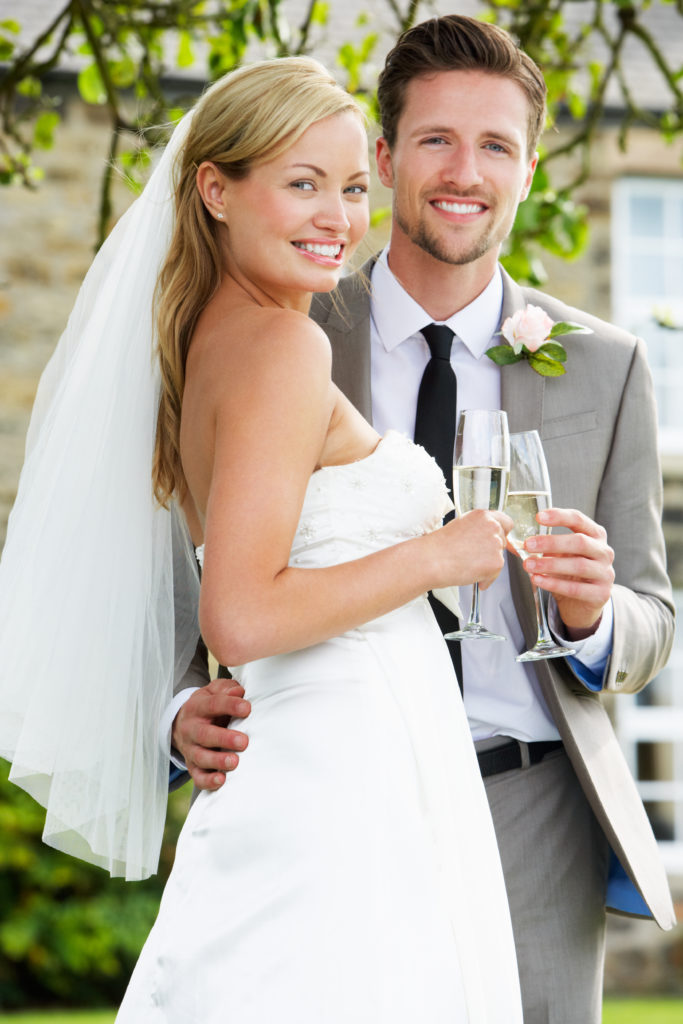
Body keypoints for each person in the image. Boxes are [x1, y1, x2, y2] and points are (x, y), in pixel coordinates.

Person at [169, 17, 677, 1024]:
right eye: (436, 139)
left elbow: (652, 617)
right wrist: (174, 713)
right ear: (386, 156)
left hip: (531, 815)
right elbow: (189, 576)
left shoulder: (605, 364)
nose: (463, 170)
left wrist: (587, 619)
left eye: (494, 144)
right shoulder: (285, 326)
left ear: (529, 168)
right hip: (330, 800)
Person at [0, 56, 524, 1021]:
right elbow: (238, 612)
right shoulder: (286, 344)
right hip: (342, 771)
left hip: (322, 752)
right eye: (301, 184)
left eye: (353, 187)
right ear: (215, 190)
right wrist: (438, 556)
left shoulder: (214, 338)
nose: (338, 215)